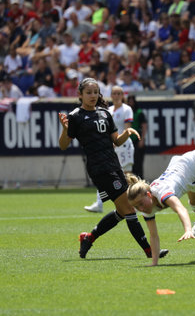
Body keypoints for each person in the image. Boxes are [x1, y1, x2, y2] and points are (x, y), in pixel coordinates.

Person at [58, 78, 168, 259]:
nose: (93, 96)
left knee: (122, 211)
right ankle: (150, 251)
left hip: (114, 165)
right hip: (99, 169)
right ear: (80, 95)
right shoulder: (75, 116)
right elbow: (63, 145)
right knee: (129, 209)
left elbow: (116, 141)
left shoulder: (104, 113)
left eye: (96, 92)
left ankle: (89, 238)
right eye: (88, 93)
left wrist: (127, 133)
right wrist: (64, 129)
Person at [84, 85, 136, 213]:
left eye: (119, 93)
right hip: (110, 147)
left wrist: (115, 142)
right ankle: (99, 203)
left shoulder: (127, 109)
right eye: (115, 93)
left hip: (123, 146)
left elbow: (127, 129)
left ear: (122, 95)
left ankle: (135, 200)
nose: (117, 96)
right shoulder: (108, 110)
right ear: (111, 95)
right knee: (105, 173)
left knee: (127, 175)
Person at [127, 95, 148, 179]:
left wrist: (142, 139)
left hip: (137, 140)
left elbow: (144, 126)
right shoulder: (127, 112)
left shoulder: (139, 112)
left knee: (138, 162)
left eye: (132, 101)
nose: (131, 103)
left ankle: (140, 179)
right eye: (129, 101)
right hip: (128, 141)